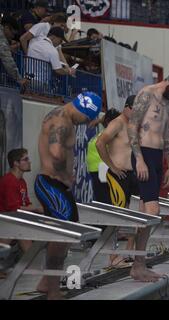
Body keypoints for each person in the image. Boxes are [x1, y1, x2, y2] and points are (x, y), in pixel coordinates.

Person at [33, 91, 101, 299]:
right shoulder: (62, 121)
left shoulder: (61, 115)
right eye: (87, 118)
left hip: (56, 185)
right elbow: (56, 152)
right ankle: (52, 290)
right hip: (52, 184)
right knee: (62, 237)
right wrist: (65, 175)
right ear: (83, 110)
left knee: (66, 235)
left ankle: (46, 281)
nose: (86, 122)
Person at [127, 68, 169, 281]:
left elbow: (166, 133)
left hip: (157, 158)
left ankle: (138, 264)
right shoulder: (146, 93)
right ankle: (138, 264)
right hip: (143, 153)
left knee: (145, 211)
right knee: (153, 211)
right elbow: (132, 126)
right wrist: (139, 159)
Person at [96, 95, 139, 265]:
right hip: (117, 175)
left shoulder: (134, 124)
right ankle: (112, 255)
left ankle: (129, 250)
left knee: (136, 215)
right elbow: (100, 143)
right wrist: (112, 166)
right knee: (118, 216)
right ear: (127, 107)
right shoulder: (117, 123)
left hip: (132, 175)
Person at [0, 148, 42, 252]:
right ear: (16, 163)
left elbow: (26, 203)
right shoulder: (9, 181)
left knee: (22, 231)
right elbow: (14, 208)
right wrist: (36, 209)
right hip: (6, 221)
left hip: (13, 221)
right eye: (26, 159)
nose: (29, 162)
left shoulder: (21, 181)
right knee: (19, 230)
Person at [87, 108, 121, 204]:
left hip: (103, 168)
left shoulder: (112, 133)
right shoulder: (108, 132)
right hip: (99, 169)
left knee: (104, 199)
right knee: (102, 198)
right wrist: (99, 120)